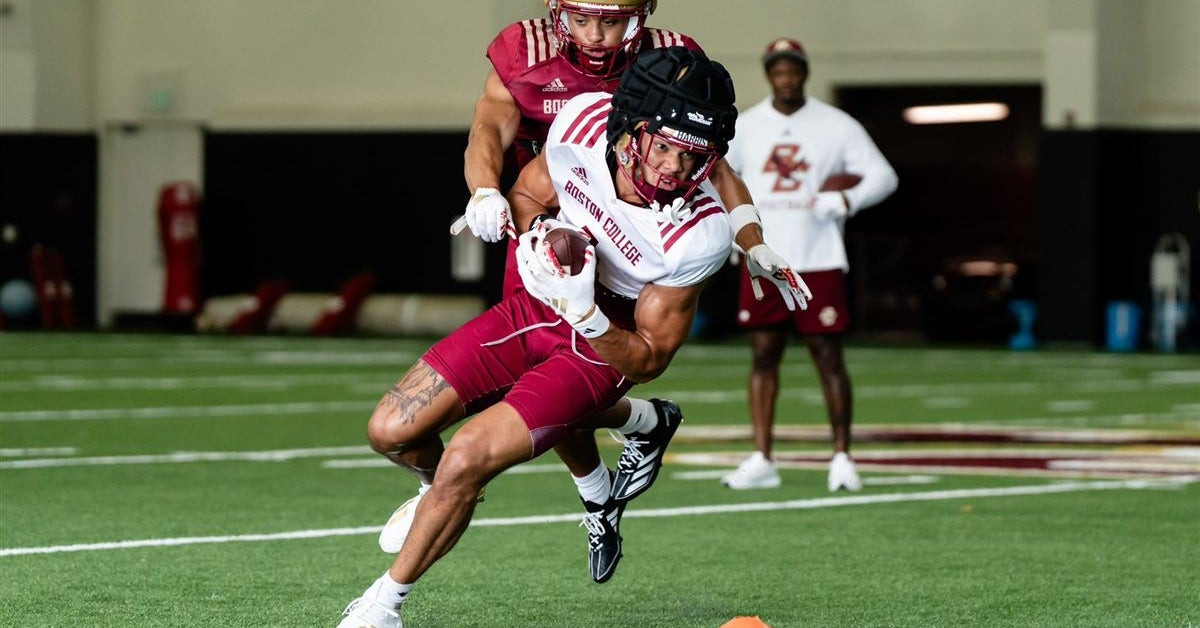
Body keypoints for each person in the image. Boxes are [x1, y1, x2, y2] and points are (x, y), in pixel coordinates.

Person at [378, 0, 810, 587]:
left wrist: (750, 237)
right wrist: (487, 193)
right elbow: (489, 128)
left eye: (612, 20)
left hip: (628, 252)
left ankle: (558, 480)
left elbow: (709, 162)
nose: (596, 35)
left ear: (643, 15)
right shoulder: (543, 73)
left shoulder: (674, 72)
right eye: (582, 19)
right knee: (515, 382)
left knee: (555, 385)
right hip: (556, 207)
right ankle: (615, 450)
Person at [338, 46, 749, 628]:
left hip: (599, 346)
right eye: (664, 147)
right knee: (390, 431)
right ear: (630, 128)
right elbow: (530, 192)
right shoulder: (583, 124)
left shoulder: (698, 235)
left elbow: (650, 355)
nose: (675, 171)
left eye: (695, 157)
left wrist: (588, 315)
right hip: (535, 307)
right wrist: (540, 233)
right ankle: (451, 494)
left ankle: (383, 607)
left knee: (466, 457)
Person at [720, 37, 898, 493]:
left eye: (793, 69)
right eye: (778, 70)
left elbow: (884, 175)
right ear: (768, 74)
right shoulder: (746, 125)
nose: (786, 77)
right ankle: (762, 457)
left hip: (817, 256)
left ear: (804, 72)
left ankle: (842, 457)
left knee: (828, 355)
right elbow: (720, 181)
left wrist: (846, 198)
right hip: (763, 257)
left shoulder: (836, 124)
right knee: (763, 355)